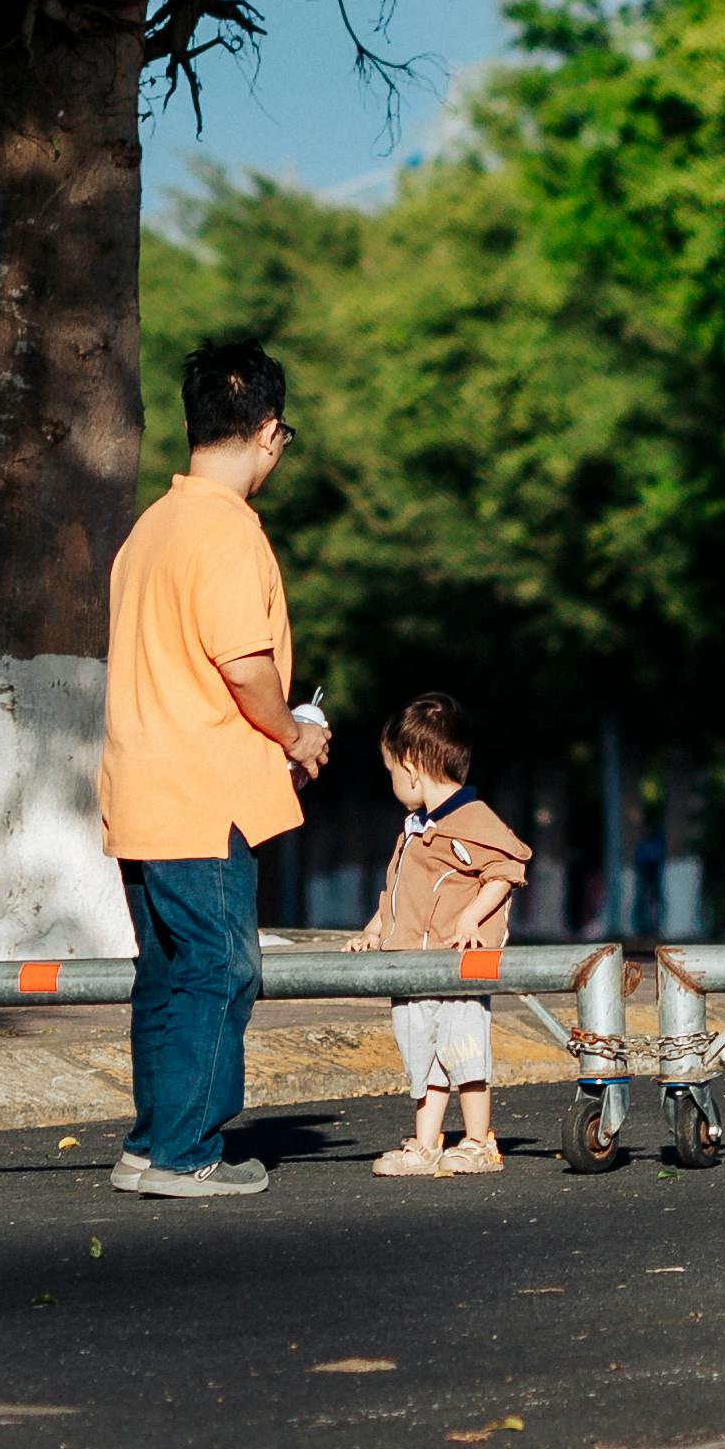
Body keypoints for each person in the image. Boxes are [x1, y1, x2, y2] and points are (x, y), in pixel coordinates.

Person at [100, 338, 326, 1199]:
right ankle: (189, 1153)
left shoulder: (151, 528)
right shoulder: (227, 532)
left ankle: (150, 1141)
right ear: (269, 431)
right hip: (203, 791)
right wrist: (295, 736)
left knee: (163, 971)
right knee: (219, 969)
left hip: (140, 783)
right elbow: (244, 667)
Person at [354, 694, 532, 1175]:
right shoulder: (416, 828)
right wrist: (374, 931)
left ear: (411, 768)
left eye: (391, 769)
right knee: (423, 1057)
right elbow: (398, 891)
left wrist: (473, 916)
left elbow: (506, 866)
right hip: (415, 965)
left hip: (455, 965)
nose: (392, 781)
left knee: (464, 1051)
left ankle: (478, 1141)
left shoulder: (469, 820)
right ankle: (427, 1142)